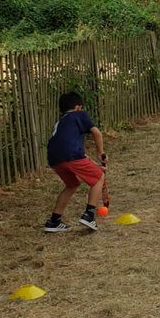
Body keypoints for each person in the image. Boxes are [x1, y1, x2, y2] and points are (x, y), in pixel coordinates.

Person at [43, 92, 106, 233]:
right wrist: (100, 153)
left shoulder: (62, 122)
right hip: (71, 155)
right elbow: (97, 133)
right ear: (78, 107)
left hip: (54, 158)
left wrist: (93, 164)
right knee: (98, 177)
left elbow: (75, 153)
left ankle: (54, 221)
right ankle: (89, 215)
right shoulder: (80, 115)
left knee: (72, 184)